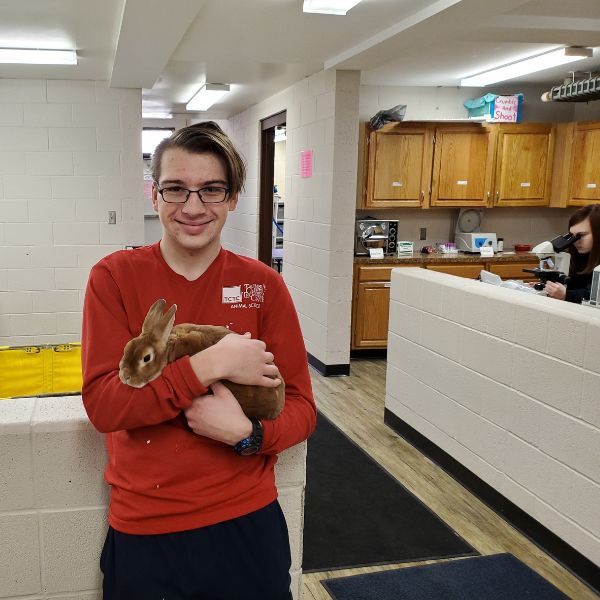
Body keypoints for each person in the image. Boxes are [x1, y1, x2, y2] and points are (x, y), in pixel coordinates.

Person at [81, 121, 317, 600]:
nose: (192, 207)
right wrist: (208, 367)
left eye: (211, 190)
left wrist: (249, 436)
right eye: (176, 189)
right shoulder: (114, 278)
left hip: (246, 525)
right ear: (155, 195)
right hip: (146, 530)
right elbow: (105, 407)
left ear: (232, 199)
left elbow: (301, 408)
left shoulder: (263, 286)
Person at [545, 204, 600, 303]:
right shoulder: (577, 255)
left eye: (581, 235)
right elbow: (573, 284)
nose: (575, 241)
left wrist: (566, 295)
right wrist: (550, 286)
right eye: (573, 236)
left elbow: (595, 296)